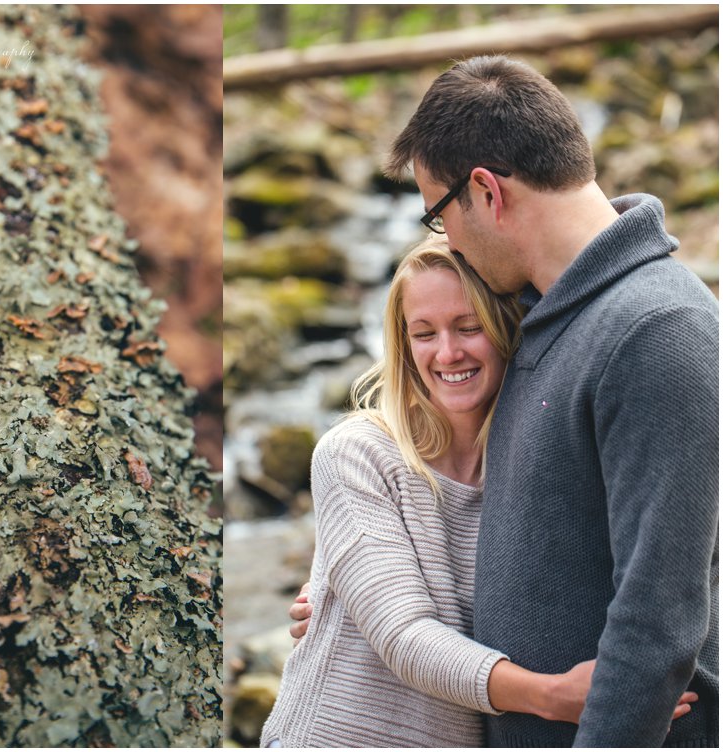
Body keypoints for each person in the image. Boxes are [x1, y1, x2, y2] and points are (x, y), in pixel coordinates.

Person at [291, 55, 719, 747]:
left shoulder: (656, 328)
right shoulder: (544, 319)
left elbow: (659, 617)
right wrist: (346, 601)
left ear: (485, 191)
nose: (446, 239)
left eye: (438, 212)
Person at [259, 237, 696, 747]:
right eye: (424, 334)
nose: (447, 353)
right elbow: (403, 637)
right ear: (403, 346)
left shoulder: (537, 467)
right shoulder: (355, 454)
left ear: (506, 328)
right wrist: (555, 695)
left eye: (469, 327)